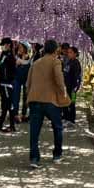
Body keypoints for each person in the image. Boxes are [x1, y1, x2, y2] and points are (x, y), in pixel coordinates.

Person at [25, 40, 71, 168]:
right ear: (56, 49)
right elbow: (59, 77)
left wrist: (29, 96)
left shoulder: (36, 63)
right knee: (57, 127)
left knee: (34, 130)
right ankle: (57, 154)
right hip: (50, 100)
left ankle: (34, 158)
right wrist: (64, 92)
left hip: (35, 99)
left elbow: (28, 82)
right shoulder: (55, 61)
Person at [0, 38, 18, 132]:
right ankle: (0, 124)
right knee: (4, 104)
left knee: (9, 104)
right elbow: (0, 66)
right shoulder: (4, 54)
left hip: (8, 83)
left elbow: (8, 69)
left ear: (8, 45)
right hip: (3, 83)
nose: (2, 47)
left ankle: (12, 125)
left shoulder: (10, 56)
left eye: (4, 45)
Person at [12, 42, 32, 124]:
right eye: (19, 47)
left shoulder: (29, 58)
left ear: (25, 49)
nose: (19, 49)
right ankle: (15, 114)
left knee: (25, 97)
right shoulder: (16, 57)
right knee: (15, 96)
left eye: (21, 47)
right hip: (17, 79)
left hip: (26, 80)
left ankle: (23, 114)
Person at [62, 46, 82, 127]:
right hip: (66, 87)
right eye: (68, 52)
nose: (68, 54)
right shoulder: (69, 62)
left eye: (70, 52)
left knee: (72, 103)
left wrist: (75, 88)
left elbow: (77, 77)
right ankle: (66, 118)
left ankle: (71, 120)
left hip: (73, 88)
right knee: (65, 103)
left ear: (75, 54)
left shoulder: (76, 63)